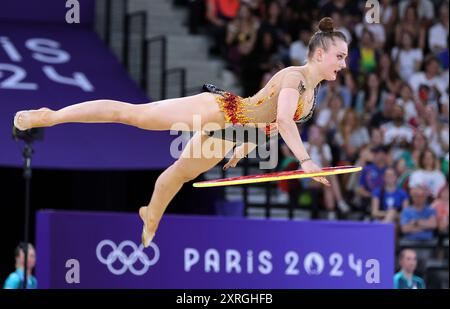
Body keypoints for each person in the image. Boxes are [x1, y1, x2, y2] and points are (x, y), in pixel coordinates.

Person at [13, 17, 347, 247]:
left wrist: (249, 143)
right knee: (133, 115)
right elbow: (285, 121)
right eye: (339, 56)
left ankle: (151, 214)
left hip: (231, 135)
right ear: (320, 54)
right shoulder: (296, 78)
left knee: (178, 175)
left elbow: (273, 120)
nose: (343, 64)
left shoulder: (312, 95)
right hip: (220, 110)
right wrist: (305, 160)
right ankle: (51, 116)